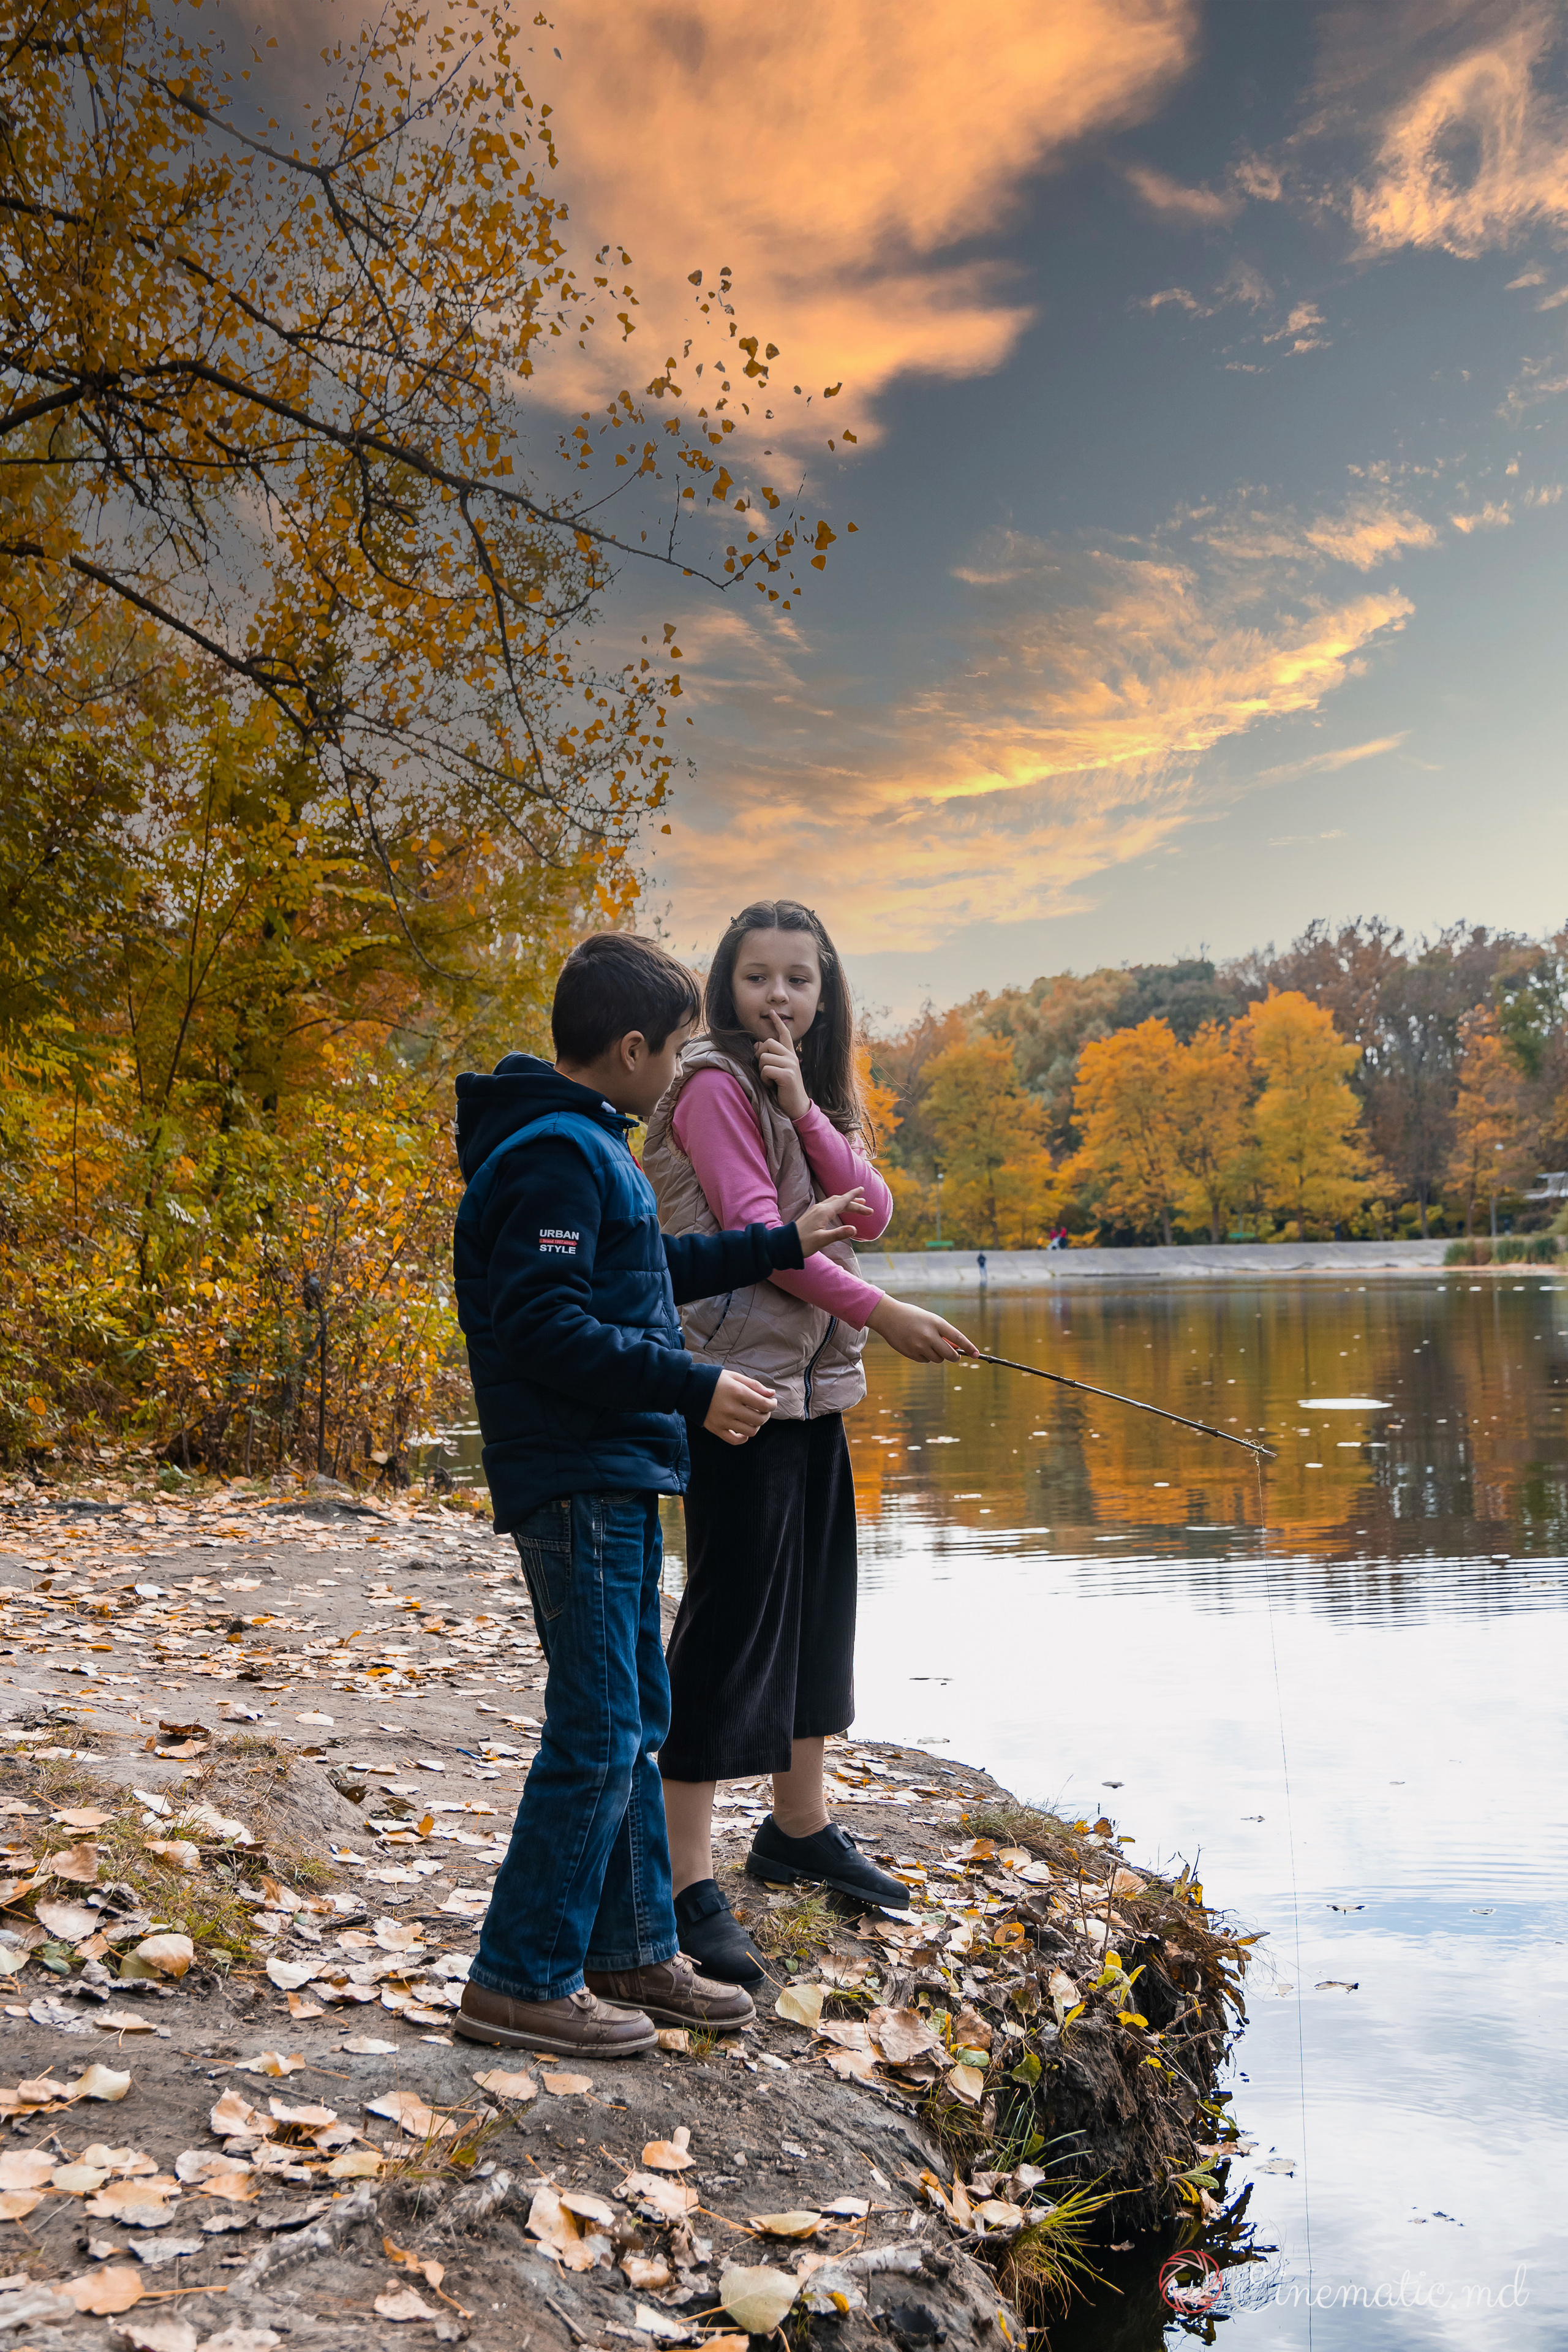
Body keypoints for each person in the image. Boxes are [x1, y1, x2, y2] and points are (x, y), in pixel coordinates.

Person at [449, 932, 865, 2059]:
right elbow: (547, 1326)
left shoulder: (590, 1147)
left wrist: (783, 1239)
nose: (683, 1064)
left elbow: (640, 1274)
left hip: (619, 1467)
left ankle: (628, 1946)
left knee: (635, 1713)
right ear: (632, 1048)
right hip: (578, 1474)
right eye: (678, 1045)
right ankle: (520, 1975)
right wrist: (693, 1381)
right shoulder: (550, 1158)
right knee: (596, 1728)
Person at [643, 900, 978, 1984]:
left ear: (825, 992)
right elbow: (766, 1243)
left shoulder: (806, 1088)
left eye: (798, 978)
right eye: (755, 978)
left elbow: (870, 1212)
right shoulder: (707, 1088)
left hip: (813, 1388)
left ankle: (795, 1830)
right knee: (732, 1618)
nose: (776, 998)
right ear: (722, 988)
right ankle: (685, 1874)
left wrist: (808, 1106)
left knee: (817, 1604)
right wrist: (886, 1315)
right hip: (737, 1384)